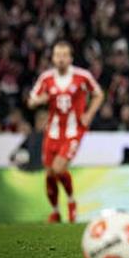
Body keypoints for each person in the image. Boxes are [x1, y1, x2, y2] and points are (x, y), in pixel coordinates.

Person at [28, 41, 104, 223]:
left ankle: (71, 202)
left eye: (64, 55)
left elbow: (99, 94)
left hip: (73, 131)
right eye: (57, 55)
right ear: (53, 58)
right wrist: (39, 100)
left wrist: (89, 114)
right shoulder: (46, 78)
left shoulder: (82, 76)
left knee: (58, 168)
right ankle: (55, 212)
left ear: (70, 58)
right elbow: (31, 101)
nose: (61, 59)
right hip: (53, 132)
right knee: (50, 174)